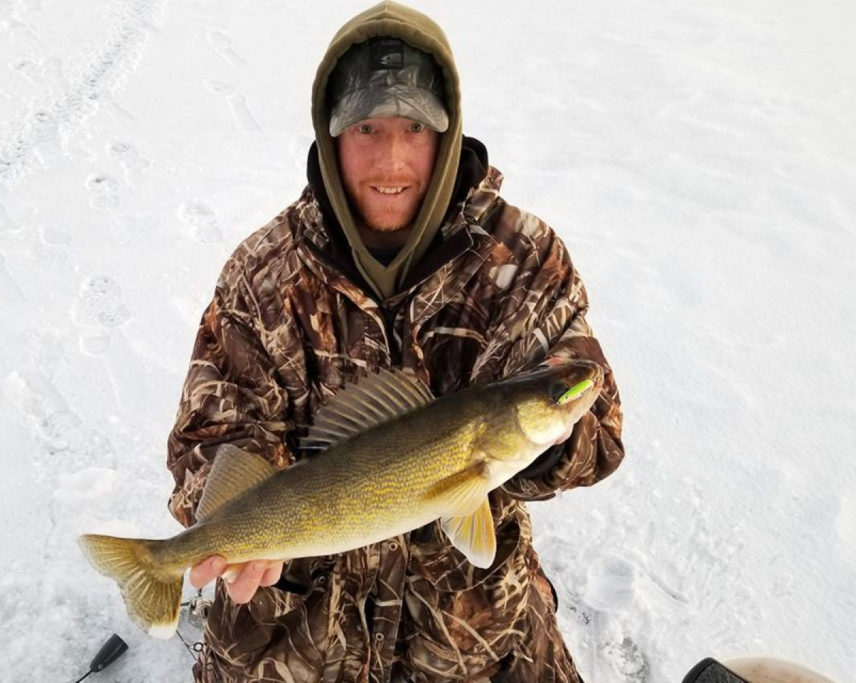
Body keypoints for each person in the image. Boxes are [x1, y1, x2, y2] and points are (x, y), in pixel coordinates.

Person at [167, 2, 624, 681]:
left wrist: (556, 433)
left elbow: (599, 423)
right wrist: (245, 518)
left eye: (414, 127)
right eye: (367, 128)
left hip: (471, 632)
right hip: (294, 630)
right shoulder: (262, 273)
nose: (392, 159)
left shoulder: (521, 258)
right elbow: (209, 437)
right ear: (331, 134)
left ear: (447, 132)